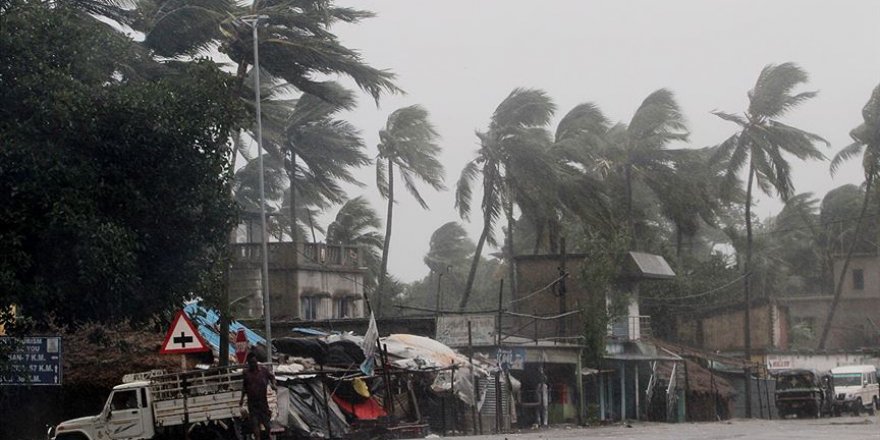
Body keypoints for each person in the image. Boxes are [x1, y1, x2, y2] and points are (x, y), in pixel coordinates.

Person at [240, 352, 276, 440]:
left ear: (257, 362)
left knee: (267, 425)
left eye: (254, 362)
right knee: (255, 424)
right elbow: (244, 387)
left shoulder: (263, 370)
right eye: (251, 363)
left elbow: (272, 377)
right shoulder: (246, 373)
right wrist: (241, 399)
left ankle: (268, 436)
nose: (253, 364)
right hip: (252, 403)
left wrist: (273, 385)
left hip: (263, 402)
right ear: (248, 363)